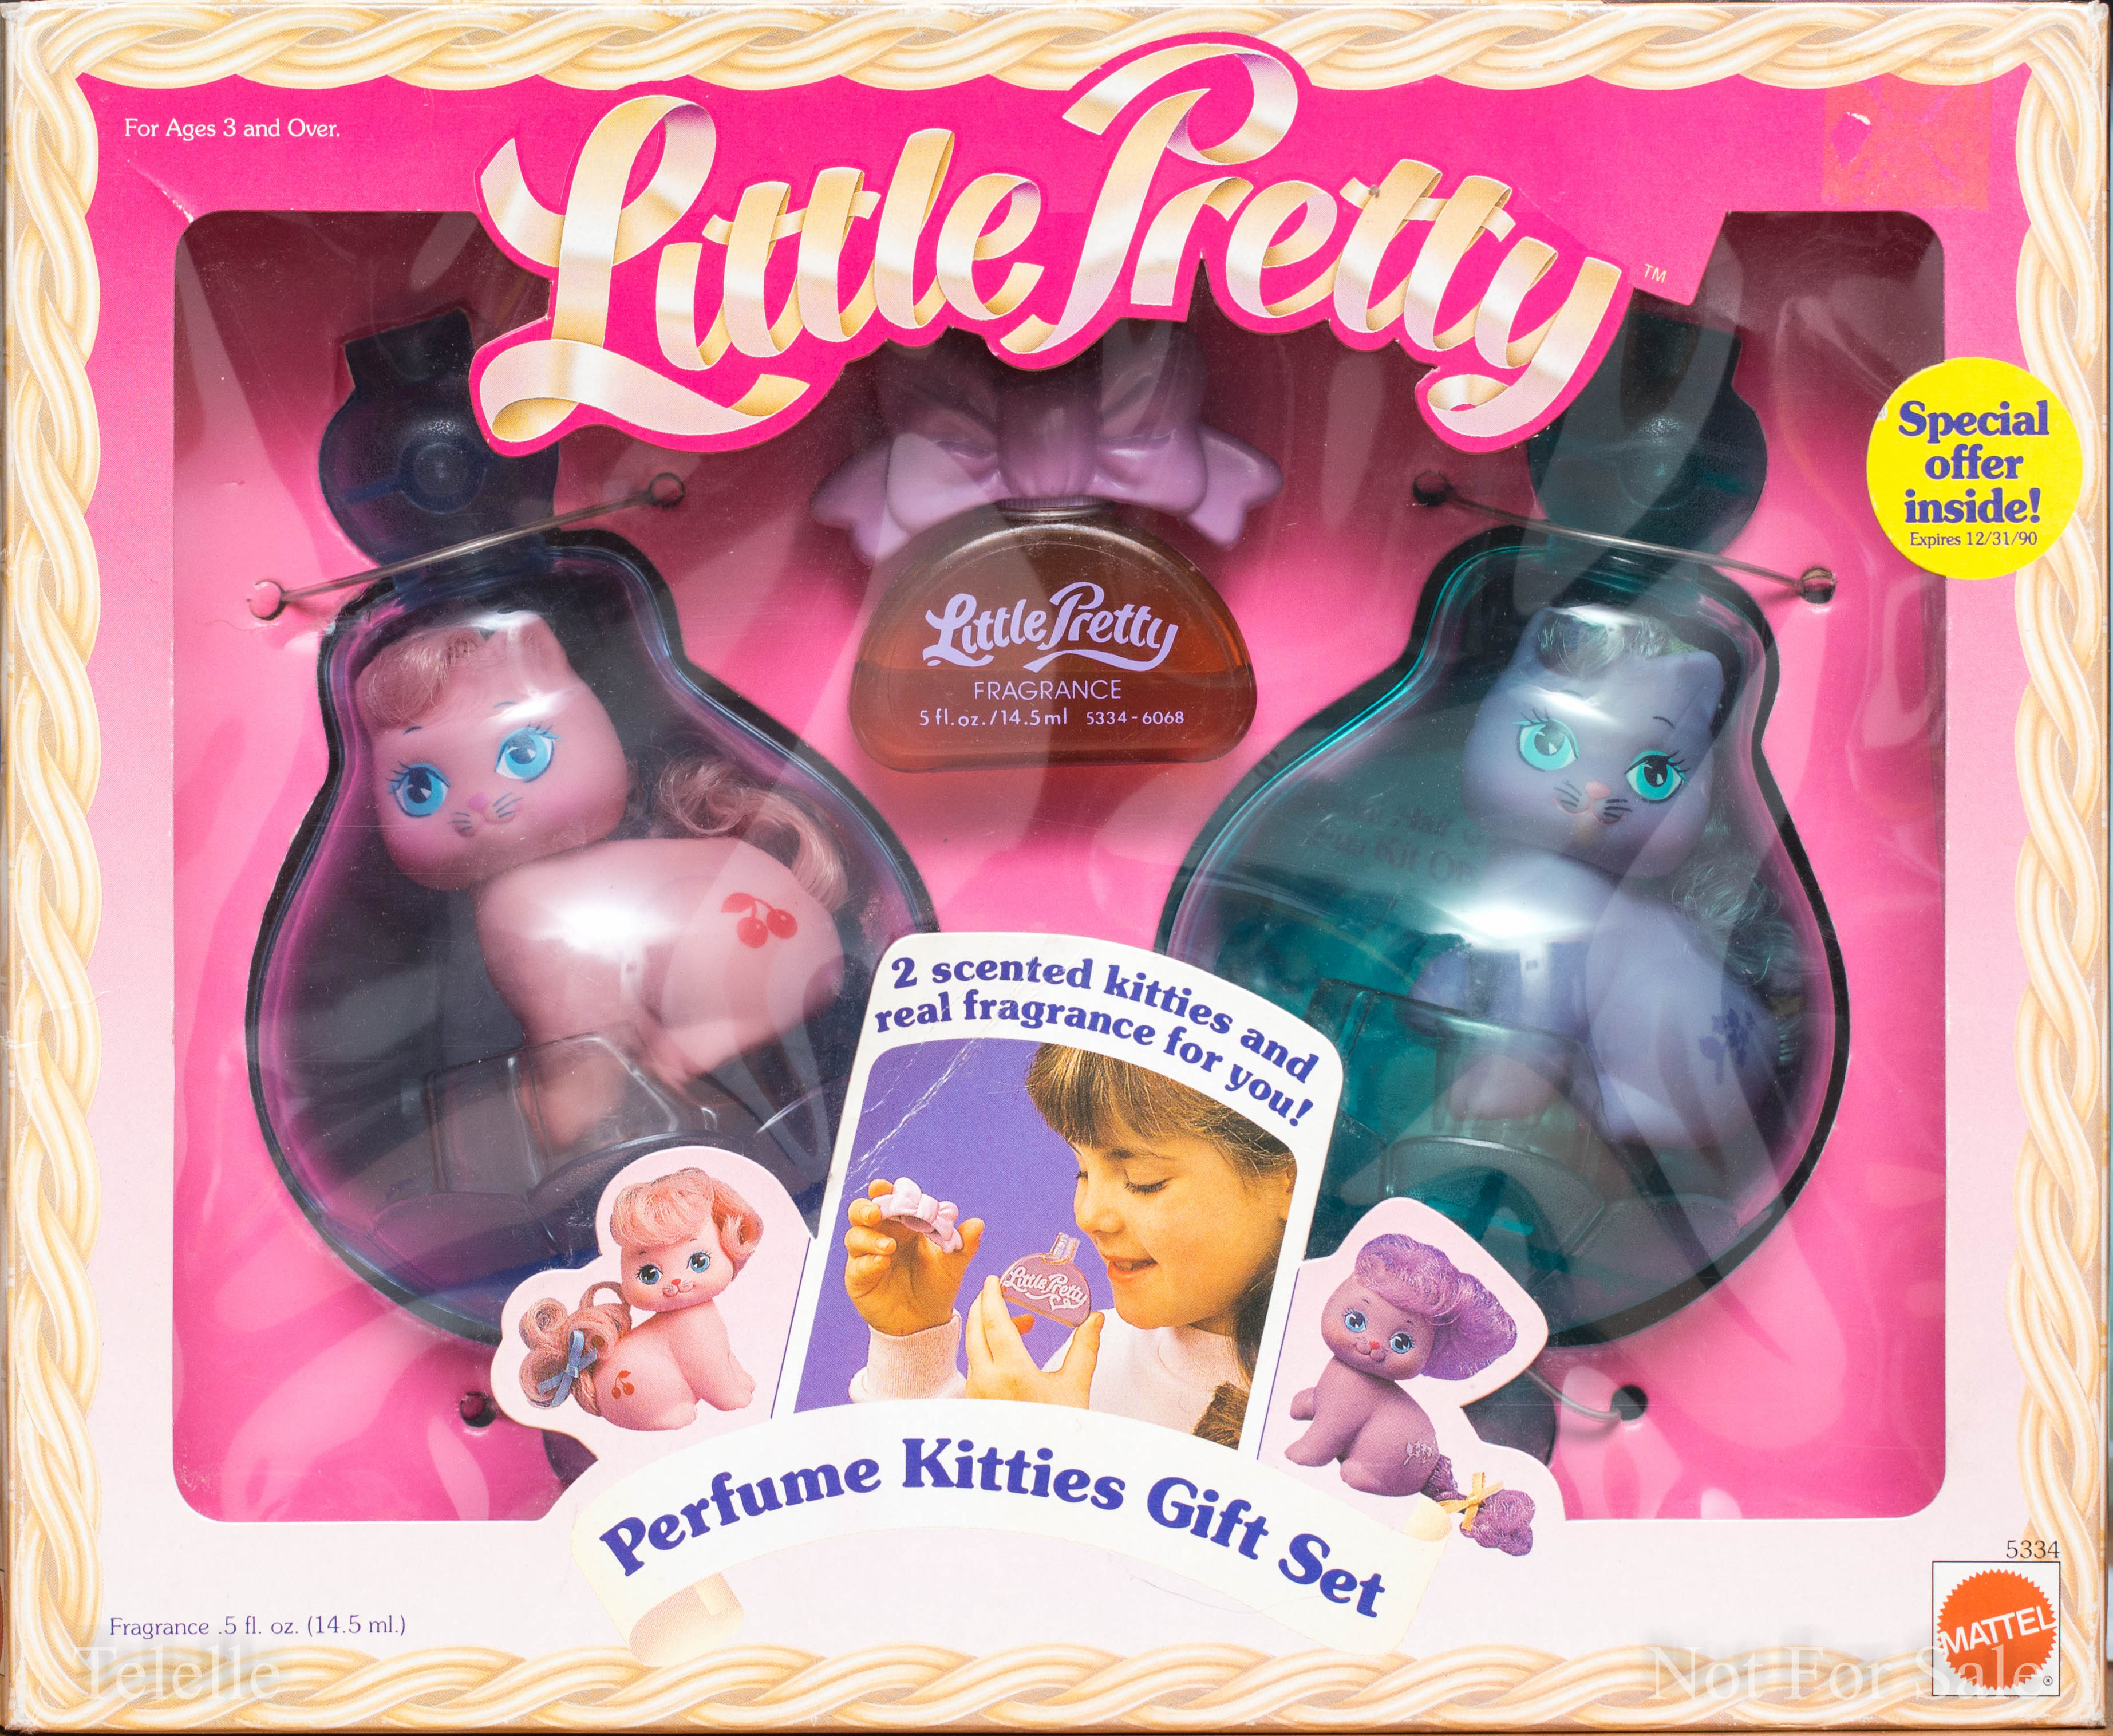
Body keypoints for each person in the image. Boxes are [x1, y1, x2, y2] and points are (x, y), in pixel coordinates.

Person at [842, 1044, 1295, 1445]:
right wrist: (912, 1350)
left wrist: (1043, 1453)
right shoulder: (1104, 1349)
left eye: (1143, 1181)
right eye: (1082, 1172)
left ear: (1289, 1180)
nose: (1088, 1216)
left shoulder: (1309, 1407)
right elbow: (932, 1498)